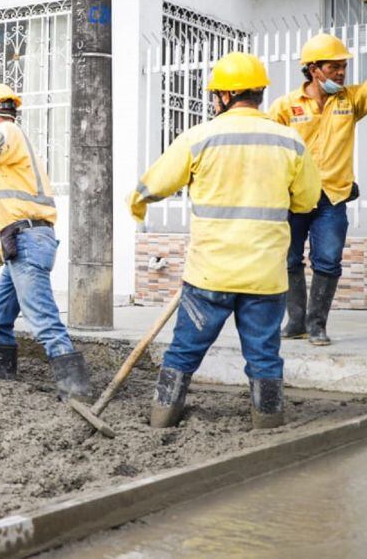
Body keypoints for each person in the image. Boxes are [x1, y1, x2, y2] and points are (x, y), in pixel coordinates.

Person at [130, 52, 320, 430]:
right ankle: (269, 423)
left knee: (184, 351)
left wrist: (137, 206)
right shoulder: (289, 141)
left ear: (224, 96)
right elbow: (307, 200)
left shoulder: (199, 138)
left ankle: (161, 419)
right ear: (259, 93)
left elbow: (153, 187)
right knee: (265, 356)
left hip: (209, 277)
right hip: (265, 278)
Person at [0, 84, 92, 401]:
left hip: (28, 243)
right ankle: (4, 381)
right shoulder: (14, 145)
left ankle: (77, 390)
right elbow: (20, 217)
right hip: (21, 242)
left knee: (43, 321)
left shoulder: (7, 132)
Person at [268, 33, 362, 346]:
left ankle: (317, 324)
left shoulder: (350, 100)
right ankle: (296, 322)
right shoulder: (285, 106)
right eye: (333, 66)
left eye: (342, 67)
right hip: (295, 198)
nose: (340, 72)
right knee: (291, 260)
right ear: (313, 69)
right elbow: (267, 144)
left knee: (328, 261)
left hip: (333, 198)